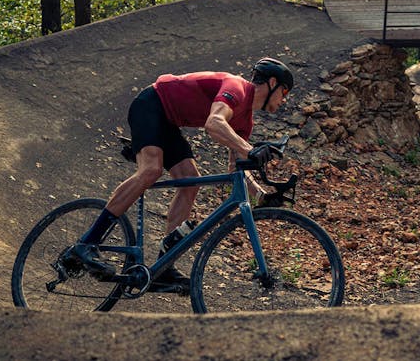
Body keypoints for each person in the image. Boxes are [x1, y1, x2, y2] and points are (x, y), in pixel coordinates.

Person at [68, 57, 294, 287]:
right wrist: (250, 149)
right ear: (272, 82)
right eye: (284, 92)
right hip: (150, 104)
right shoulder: (236, 87)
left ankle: (164, 267)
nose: (284, 100)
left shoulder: (245, 121)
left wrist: (262, 195)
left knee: (190, 182)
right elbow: (214, 123)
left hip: (168, 122)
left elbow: (236, 168)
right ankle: (87, 242)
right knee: (151, 170)